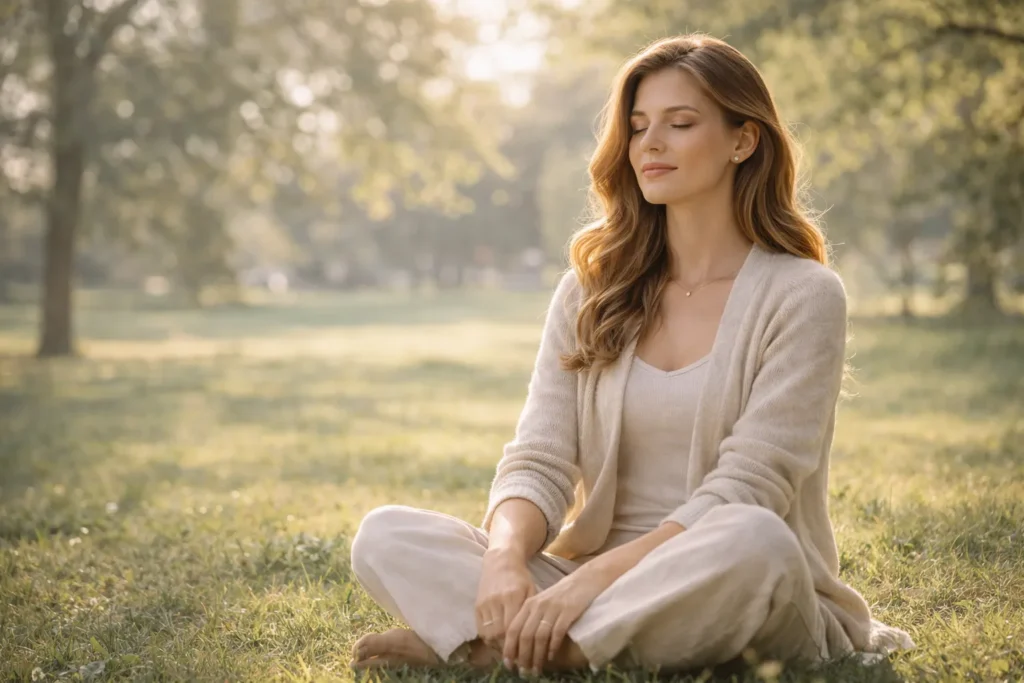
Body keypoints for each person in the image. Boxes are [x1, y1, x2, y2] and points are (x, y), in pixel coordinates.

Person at [348, 33, 915, 675]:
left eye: (680, 123)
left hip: (723, 572)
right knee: (387, 534)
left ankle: (499, 653)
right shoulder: (593, 289)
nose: (650, 143)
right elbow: (541, 457)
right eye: (638, 125)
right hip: (578, 575)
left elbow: (750, 491)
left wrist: (586, 588)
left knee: (756, 540)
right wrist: (505, 562)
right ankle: (554, 642)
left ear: (743, 140)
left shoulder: (804, 295)